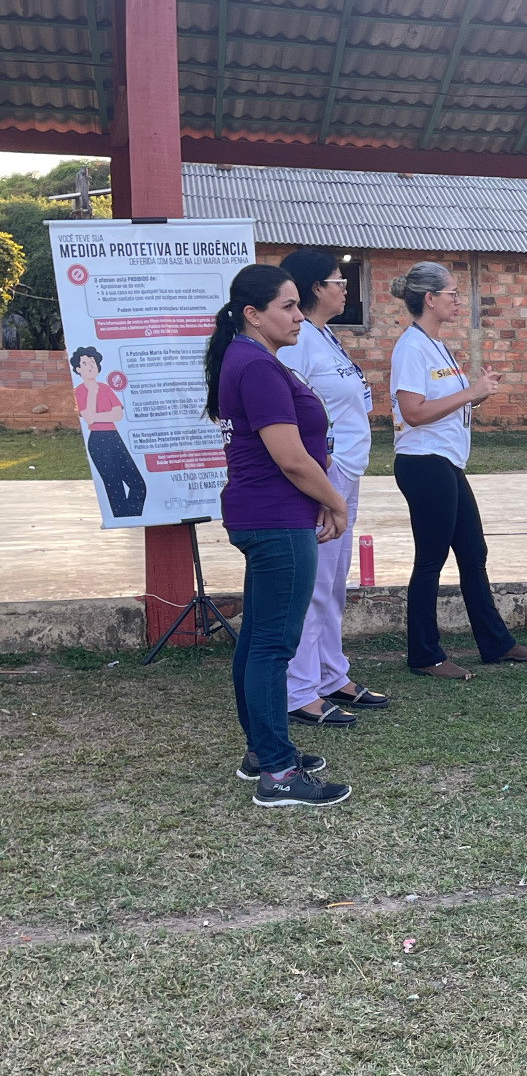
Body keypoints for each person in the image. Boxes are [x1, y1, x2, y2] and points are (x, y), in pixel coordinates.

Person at [205, 263, 351, 808]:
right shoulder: (257, 366)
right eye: (287, 307)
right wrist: (334, 501)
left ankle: (261, 751)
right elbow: (291, 458)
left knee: (256, 638)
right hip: (277, 516)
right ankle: (279, 774)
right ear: (252, 314)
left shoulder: (250, 359)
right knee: (272, 644)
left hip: (264, 514)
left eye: (296, 304)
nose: (297, 315)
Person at [389, 261, 527, 680]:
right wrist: (471, 392)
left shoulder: (436, 344)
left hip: (446, 461)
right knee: (431, 560)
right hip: (423, 462)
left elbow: (447, 404)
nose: (458, 300)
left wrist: (478, 394)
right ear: (429, 298)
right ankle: (424, 654)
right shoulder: (411, 347)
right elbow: (413, 412)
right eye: (452, 293)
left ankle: (495, 643)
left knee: (473, 554)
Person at [276, 248, 386, 728]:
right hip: (326, 470)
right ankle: (299, 690)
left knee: (333, 582)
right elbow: (295, 412)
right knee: (316, 583)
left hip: (347, 467)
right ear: (316, 288)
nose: (346, 287)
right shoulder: (299, 341)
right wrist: (319, 480)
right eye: (339, 280)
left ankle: (330, 673)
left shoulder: (325, 337)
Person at [69, 345, 146, 518]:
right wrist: (92, 394)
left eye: (92, 361)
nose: (90, 365)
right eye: (85, 363)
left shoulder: (105, 388)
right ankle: (122, 519)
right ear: (78, 369)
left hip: (114, 436)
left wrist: (96, 415)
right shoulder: (79, 392)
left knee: (137, 484)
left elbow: (117, 414)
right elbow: (88, 419)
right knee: (114, 486)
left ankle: (131, 517)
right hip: (98, 441)